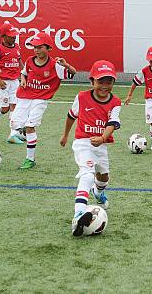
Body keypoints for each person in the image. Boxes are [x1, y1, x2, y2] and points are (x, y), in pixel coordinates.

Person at [60, 60, 121, 236]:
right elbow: (71, 115)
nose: (104, 86)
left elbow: (113, 122)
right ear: (92, 81)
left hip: (101, 145)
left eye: (108, 81)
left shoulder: (115, 102)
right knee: (87, 173)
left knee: (103, 177)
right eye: (100, 81)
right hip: (83, 143)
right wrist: (65, 135)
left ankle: (98, 191)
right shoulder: (81, 97)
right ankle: (79, 213)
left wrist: (103, 138)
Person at [12, 32, 76, 169]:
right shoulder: (29, 60)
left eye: (40, 47)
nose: (36, 50)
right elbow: (24, 72)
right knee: (15, 125)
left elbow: (72, 73)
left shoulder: (55, 65)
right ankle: (23, 130)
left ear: (48, 48)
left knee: (30, 127)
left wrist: (66, 65)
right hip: (25, 96)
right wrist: (23, 80)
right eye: (34, 47)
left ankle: (30, 159)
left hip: (41, 99)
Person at [0, 21, 24, 144]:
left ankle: (13, 134)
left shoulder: (17, 47)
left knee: (15, 107)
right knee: (5, 108)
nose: (14, 37)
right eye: (11, 35)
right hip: (3, 83)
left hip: (15, 82)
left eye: (15, 35)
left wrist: (24, 74)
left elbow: (19, 61)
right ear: (3, 36)